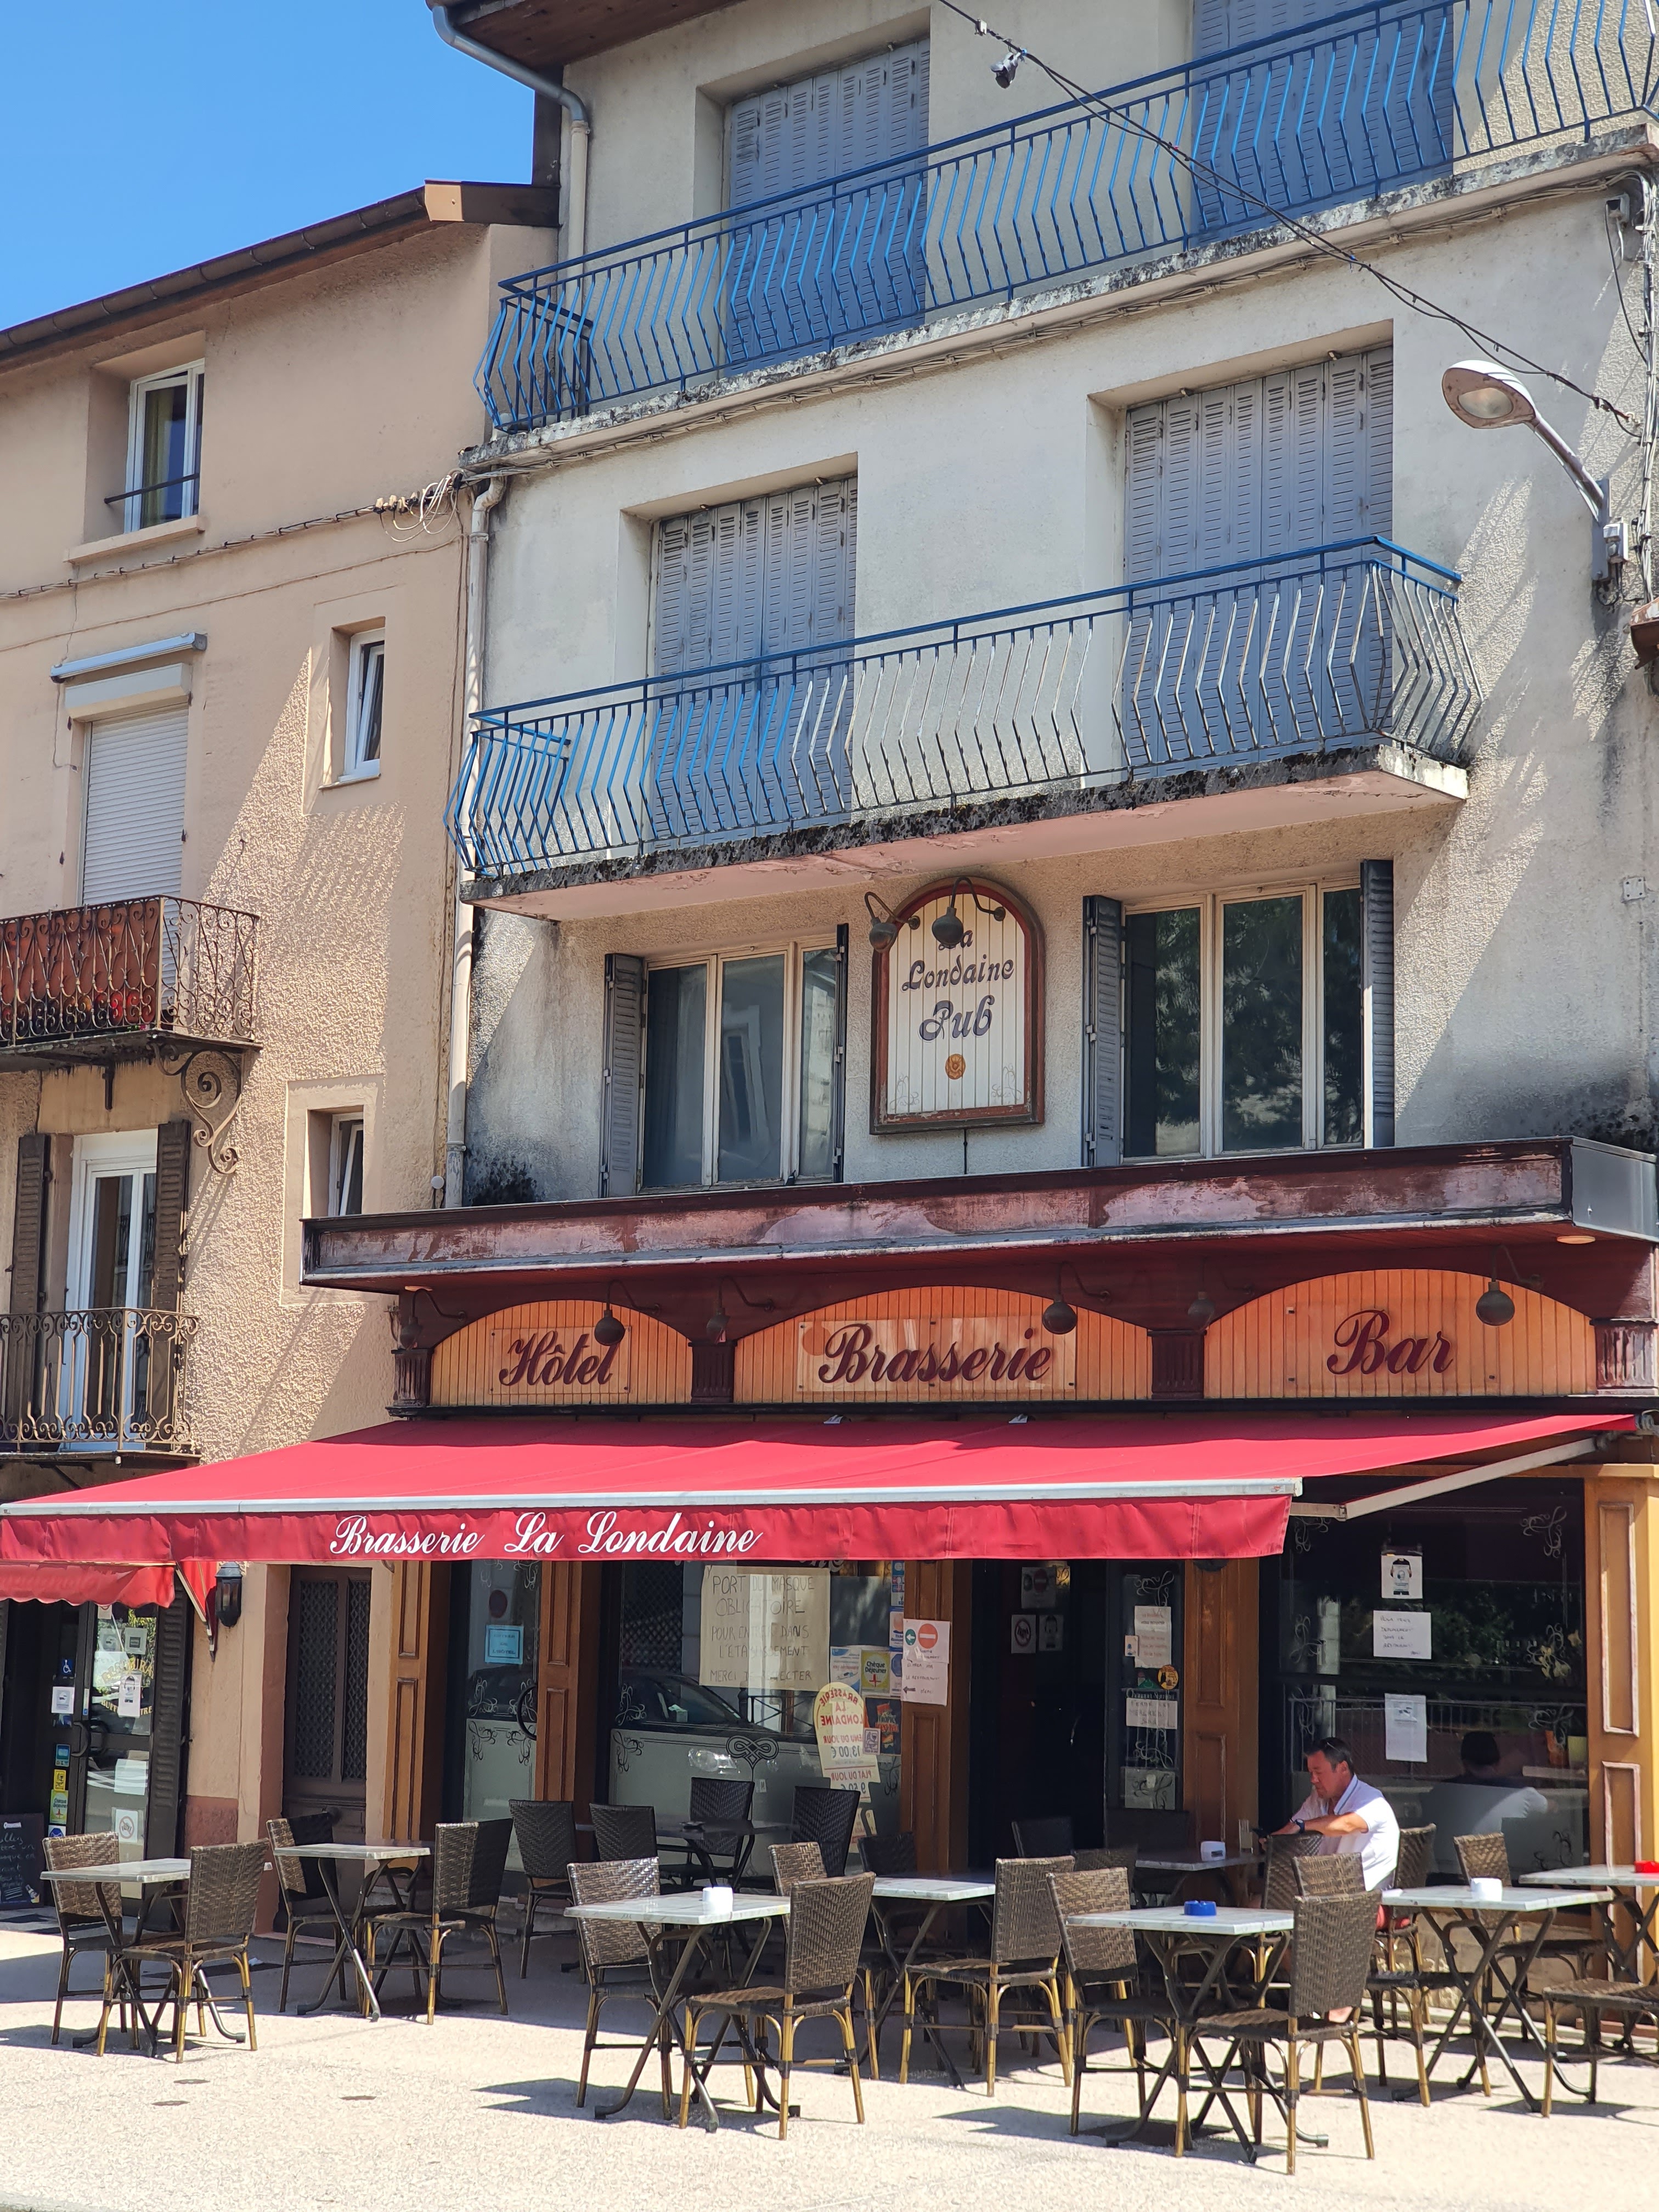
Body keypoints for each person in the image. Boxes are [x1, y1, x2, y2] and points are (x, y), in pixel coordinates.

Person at [1279, 1735, 1401, 1892]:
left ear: (1343, 1768)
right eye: (1311, 1773)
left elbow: (1346, 1824)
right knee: (1261, 1900)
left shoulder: (1371, 1799)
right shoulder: (1318, 1799)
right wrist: (1270, 1841)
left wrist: (1303, 1825)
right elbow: (1292, 1828)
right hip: (1327, 1891)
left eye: (1318, 1772)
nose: (1313, 1780)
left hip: (1366, 1897)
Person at [1422, 1731, 1550, 1877]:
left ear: (1464, 1763)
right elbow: (1549, 1808)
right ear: (1498, 1762)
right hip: (1502, 1882)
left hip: (1447, 1879)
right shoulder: (1522, 1794)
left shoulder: (1440, 1793)